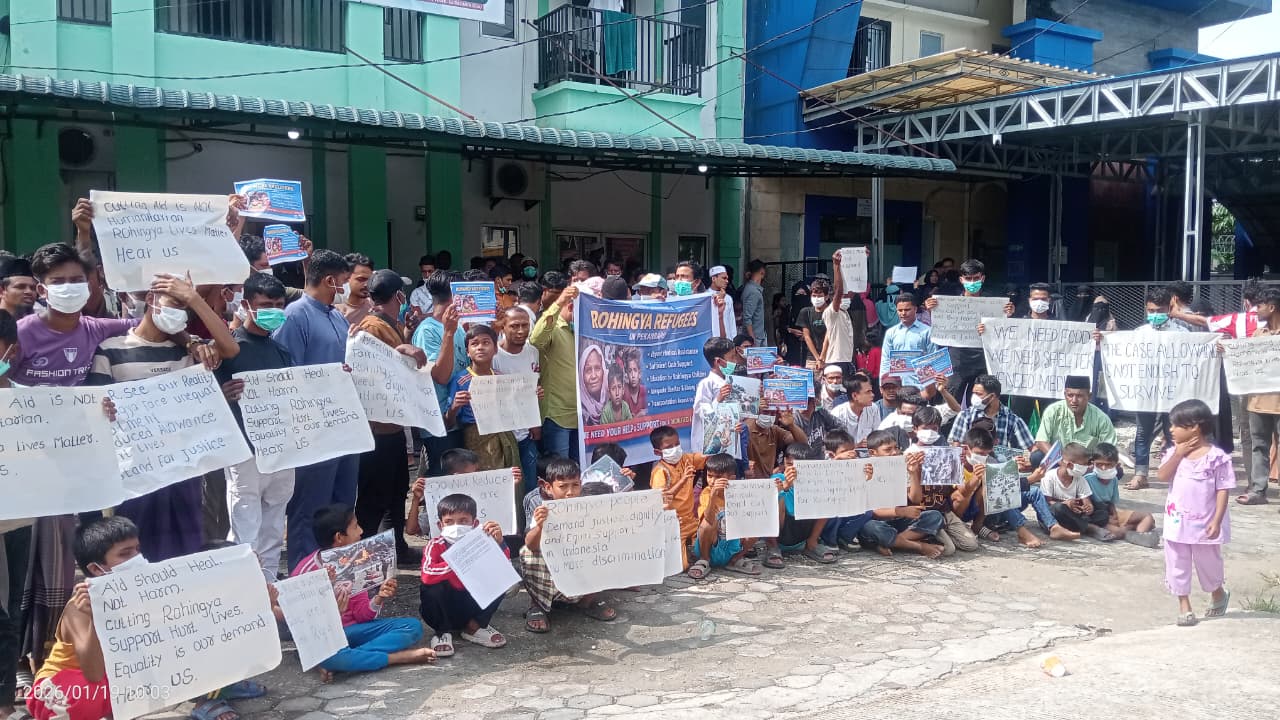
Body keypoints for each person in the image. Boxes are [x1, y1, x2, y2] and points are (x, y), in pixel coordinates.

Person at [87, 273, 239, 561]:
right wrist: (102, 409)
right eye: (173, 304)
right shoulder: (110, 350)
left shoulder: (192, 352)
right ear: (150, 299)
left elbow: (230, 348)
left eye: (184, 309)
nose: (178, 313)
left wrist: (194, 298)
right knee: (133, 549)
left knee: (186, 550)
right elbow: (94, 407)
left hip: (183, 473)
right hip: (134, 474)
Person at [272, 249, 357, 570]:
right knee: (310, 507)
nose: (346, 288)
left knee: (342, 504)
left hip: (342, 424)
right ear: (330, 280)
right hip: (312, 429)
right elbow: (287, 374)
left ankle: (338, 572)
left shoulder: (335, 315)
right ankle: (303, 576)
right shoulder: (295, 316)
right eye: (345, 282)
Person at [216, 272, 297, 580]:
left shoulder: (282, 352)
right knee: (245, 525)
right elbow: (207, 397)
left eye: (278, 304)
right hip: (245, 453)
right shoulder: (230, 350)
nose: (273, 310)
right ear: (247, 305)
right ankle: (242, 588)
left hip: (281, 451)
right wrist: (222, 395)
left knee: (275, 525)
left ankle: (269, 585)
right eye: (265, 305)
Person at [293, 505, 434, 678]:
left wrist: (378, 599)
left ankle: (344, 660)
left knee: (412, 627)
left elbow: (361, 615)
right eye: (354, 527)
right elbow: (300, 624)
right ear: (339, 537)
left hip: (354, 631)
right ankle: (394, 658)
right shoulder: (305, 572)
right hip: (325, 637)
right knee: (326, 652)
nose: (361, 531)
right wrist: (331, 610)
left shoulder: (356, 562)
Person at [351, 269, 427, 565]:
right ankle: (367, 555)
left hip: (392, 425)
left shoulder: (388, 323)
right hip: (376, 431)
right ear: (399, 296)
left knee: (396, 491)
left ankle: (396, 547)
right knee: (374, 498)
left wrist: (405, 336)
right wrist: (401, 347)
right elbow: (368, 364)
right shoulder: (370, 326)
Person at [521, 457, 617, 633]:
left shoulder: (590, 504)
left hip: (579, 563)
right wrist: (541, 526)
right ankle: (538, 605)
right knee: (527, 554)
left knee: (607, 548)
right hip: (552, 568)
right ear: (548, 487)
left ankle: (586, 601)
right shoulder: (543, 510)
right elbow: (531, 545)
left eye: (575, 485)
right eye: (563, 486)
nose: (570, 492)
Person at [1159, 399, 1233, 626]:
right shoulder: (1173, 453)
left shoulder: (1216, 457)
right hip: (1176, 522)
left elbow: (1223, 489)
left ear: (1194, 427)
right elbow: (1162, 476)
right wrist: (1178, 454)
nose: (1171, 429)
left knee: (1208, 563)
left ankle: (1218, 593)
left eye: (1175, 425)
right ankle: (1184, 605)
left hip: (1205, 522)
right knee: (1177, 562)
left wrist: (1217, 520)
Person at [419, 494, 508, 656]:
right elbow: (427, 574)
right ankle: (442, 632)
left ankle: (474, 627)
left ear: (474, 523)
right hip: (443, 606)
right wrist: (461, 561)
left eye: (463, 521)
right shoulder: (435, 544)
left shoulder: (482, 540)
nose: (456, 526)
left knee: (502, 579)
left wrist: (499, 542)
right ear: (440, 525)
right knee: (431, 588)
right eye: (449, 522)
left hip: (471, 605)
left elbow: (503, 566)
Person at [1123, 287, 1189, 490]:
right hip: (1146, 392)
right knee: (1143, 433)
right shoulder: (1138, 334)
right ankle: (1141, 474)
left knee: (1173, 433)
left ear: (1170, 308)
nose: (1155, 315)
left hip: (1173, 392)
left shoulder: (1183, 334)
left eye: (1160, 310)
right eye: (1151, 311)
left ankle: (1175, 472)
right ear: (1146, 309)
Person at [923, 259, 1014, 399]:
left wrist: (1008, 315)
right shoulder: (948, 304)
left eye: (976, 278)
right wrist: (932, 311)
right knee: (951, 402)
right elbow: (940, 326)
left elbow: (1004, 332)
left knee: (982, 402)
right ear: (961, 279)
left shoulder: (994, 304)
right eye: (968, 278)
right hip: (957, 358)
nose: (972, 282)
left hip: (983, 359)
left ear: (982, 278)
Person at [855, 431, 945, 559]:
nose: (894, 452)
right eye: (888, 449)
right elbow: (871, 512)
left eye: (896, 448)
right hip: (877, 522)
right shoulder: (866, 470)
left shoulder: (902, 466)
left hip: (899, 521)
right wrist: (900, 512)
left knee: (935, 516)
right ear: (872, 453)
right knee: (870, 527)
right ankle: (917, 546)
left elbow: (916, 498)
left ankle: (893, 543)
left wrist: (913, 473)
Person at [413, 271, 468, 476]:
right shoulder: (428, 330)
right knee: (443, 482)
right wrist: (448, 333)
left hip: (460, 418)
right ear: (455, 296)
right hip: (441, 424)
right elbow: (440, 377)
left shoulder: (459, 327)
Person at [447, 325, 521, 470]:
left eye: (486, 342)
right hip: (476, 438)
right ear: (467, 352)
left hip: (504, 436)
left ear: (495, 349)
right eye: (474, 344)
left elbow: (513, 410)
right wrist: (454, 407)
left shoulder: (501, 378)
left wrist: (530, 396)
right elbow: (449, 423)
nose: (480, 347)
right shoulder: (461, 380)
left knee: (509, 478)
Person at [1236, 287, 1279, 506]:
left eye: (1260, 306)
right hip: (1258, 402)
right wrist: (1228, 351)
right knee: (1258, 446)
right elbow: (1245, 359)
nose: (1256, 310)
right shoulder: (1258, 335)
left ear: (1271, 307)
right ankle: (1258, 490)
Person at [494, 305, 542, 497]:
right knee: (507, 489)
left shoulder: (533, 352)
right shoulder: (494, 356)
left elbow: (535, 386)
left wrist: (535, 422)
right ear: (503, 327)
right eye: (514, 326)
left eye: (525, 325)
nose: (521, 331)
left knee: (530, 484)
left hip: (526, 434)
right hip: (502, 434)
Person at [689, 453, 761, 580]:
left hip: (732, 545)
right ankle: (704, 560)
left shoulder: (740, 492)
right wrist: (713, 496)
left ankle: (735, 560)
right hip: (710, 546)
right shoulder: (706, 493)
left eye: (718, 477)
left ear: (731, 478)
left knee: (757, 525)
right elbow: (708, 519)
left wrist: (776, 489)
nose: (712, 481)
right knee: (706, 525)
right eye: (709, 476)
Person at [531, 283, 580, 460]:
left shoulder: (582, 330)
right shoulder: (555, 327)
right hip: (558, 416)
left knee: (578, 472)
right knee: (560, 472)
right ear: (572, 305)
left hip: (583, 417)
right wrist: (559, 302)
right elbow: (535, 339)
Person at [1087, 443, 1159, 547]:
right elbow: (1087, 506)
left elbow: (1111, 501)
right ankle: (1132, 531)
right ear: (1093, 463)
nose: (1103, 468)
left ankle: (1139, 535)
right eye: (1099, 464)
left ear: (1116, 464)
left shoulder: (1114, 479)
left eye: (1108, 464)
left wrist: (1115, 515)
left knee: (1148, 517)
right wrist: (1108, 519)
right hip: (1096, 516)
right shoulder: (1088, 480)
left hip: (1109, 512)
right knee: (1118, 532)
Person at [774, 444, 835, 563]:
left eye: (798, 466)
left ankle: (812, 543)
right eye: (789, 464)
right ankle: (772, 547)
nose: (792, 469)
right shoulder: (777, 478)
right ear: (784, 463)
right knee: (776, 498)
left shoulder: (815, 482)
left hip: (804, 530)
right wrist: (785, 487)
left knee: (828, 497)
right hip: (782, 532)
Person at [1038, 443, 1112, 539]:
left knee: (1103, 512)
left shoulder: (1080, 479)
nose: (1087, 467)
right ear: (1069, 464)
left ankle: (1078, 526)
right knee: (1058, 508)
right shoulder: (1049, 477)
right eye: (1084, 465)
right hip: (1054, 517)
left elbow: (1087, 500)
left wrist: (1088, 508)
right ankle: (1089, 528)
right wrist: (1066, 504)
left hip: (1073, 515)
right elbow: (1046, 503)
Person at [649, 426, 707, 549]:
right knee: (682, 566)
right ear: (657, 452)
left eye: (677, 444)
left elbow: (709, 454)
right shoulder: (660, 471)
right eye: (669, 447)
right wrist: (684, 479)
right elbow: (662, 500)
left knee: (712, 543)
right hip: (674, 523)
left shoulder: (686, 459)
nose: (675, 449)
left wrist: (729, 434)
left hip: (692, 520)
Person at [948, 374, 1033, 451]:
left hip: (998, 465)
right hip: (971, 464)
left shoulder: (1012, 420)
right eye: (974, 393)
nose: (974, 397)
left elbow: (1031, 447)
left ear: (992, 396)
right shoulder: (965, 416)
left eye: (979, 394)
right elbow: (956, 445)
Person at [1034, 375, 1117, 453]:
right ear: (1065, 395)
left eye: (1079, 396)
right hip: (1058, 458)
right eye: (1070, 395)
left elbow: (1109, 448)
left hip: (1088, 461)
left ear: (1089, 396)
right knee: (1036, 457)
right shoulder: (1053, 411)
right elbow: (1041, 441)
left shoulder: (1101, 418)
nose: (1074, 400)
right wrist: (1062, 461)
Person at [691, 337, 740, 459]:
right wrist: (718, 399)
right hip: (711, 447)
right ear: (718, 361)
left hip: (730, 441)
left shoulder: (732, 382)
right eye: (732, 357)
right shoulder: (707, 384)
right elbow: (701, 412)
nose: (735, 361)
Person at [823, 250, 866, 374]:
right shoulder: (832, 312)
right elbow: (839, 290)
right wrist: (836, 266)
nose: (848, 297)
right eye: (844, 296)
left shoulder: (845, 312)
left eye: (849, 296)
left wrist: (861, 262)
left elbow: (852, 290)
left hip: (847, 360)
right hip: (835, 361)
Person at [878, 293, 936, 378]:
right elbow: (885, 360)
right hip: (897, 386)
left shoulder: (927, 331)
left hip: (920, 385)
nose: (903, 313)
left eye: (907, 310)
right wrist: (883, 382)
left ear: (915, 309)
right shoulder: (891, 333)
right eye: (900, 310)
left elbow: (933, 358)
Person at [832, 374, 879, 445]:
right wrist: (856, 446)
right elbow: (835, 445)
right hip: (845, 454)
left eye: (871, 391)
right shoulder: (838, 413)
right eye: (868, 392)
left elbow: (877, 437)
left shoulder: (873, 408)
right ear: (855, 396)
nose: (872, 395)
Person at [794, 278, 829, 368]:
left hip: (830, 356)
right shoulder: (806, 312)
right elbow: (806, 336)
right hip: (812, 357)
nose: (817, 298)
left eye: (820, 296)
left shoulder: (831, 312)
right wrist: (818, 358)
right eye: (814, 296)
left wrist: (822, 357)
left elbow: (829, 334)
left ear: (826, 296)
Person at [578, 343, 609, 427]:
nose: (593, 376)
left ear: (603, 370)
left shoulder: (613, 398)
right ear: (581, 375)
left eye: (597, 368)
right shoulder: (579, 408)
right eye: (588, 370)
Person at [339, 253, 374, 324]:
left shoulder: (375, 308)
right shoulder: (337, 312)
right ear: (347, 278)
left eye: (370, 280)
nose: (366, 284)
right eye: (361, 279)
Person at [616, 347, 647, 417]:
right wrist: (638, 416)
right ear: (626, 373)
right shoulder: (622, 393)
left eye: (635, 370)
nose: (633, 375)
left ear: (640, 373)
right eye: (630, 371)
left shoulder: (645, 391)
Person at [741, 260, 766, 342]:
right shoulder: (753, 292)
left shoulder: (749, 288)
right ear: (762, 272)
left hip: (757, 335)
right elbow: (747, 317)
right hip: (755, 337)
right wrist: (753, 339)